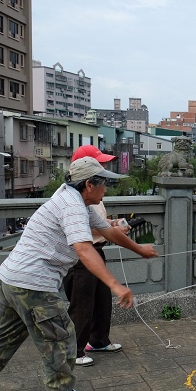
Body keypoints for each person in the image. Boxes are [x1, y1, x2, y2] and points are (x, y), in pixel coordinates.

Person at [0, 157, 158, 391]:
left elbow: (108, 232)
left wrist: (139, 249)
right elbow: (84, 250)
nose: (106, 190)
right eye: (104, 184)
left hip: (10, 279)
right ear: (89, 184)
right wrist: (116, 285)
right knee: (60, 336)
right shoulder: (73, 207)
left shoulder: (70, 198)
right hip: (33, 285)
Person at [64, 145, 129, 366]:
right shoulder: (73, 198)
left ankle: (99, 340)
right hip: (82, 256)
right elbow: (78, 228)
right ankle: (74, 351)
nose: (103, 167)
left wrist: (112, 225)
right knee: (82, 304)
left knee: (101, 300)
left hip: (97, 251)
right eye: (98, 163)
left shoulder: (94, 192)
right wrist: (110, 230)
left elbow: (96, 222)